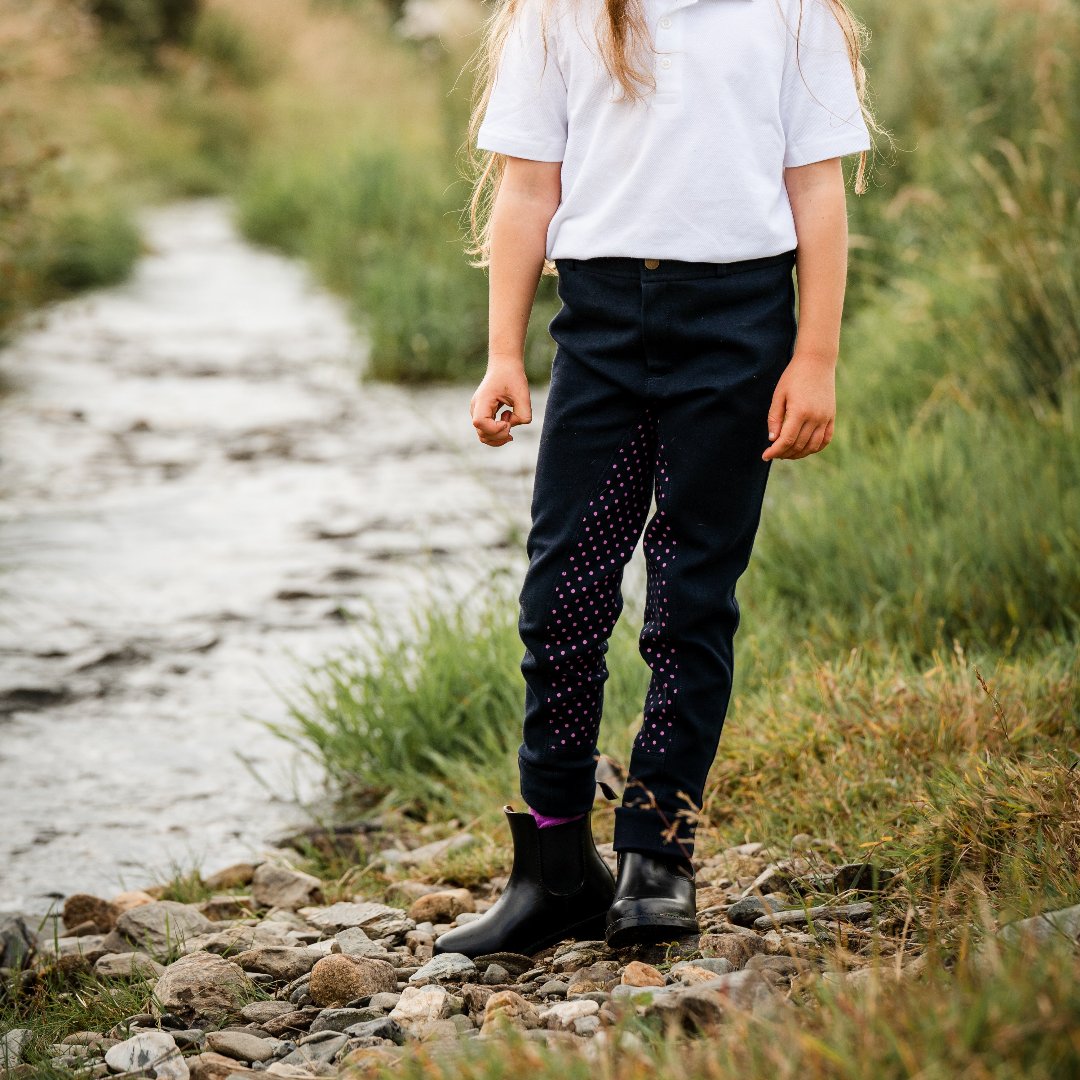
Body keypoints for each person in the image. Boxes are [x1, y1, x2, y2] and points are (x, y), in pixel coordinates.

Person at [434, 0, 879, 957]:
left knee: (690, 597)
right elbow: (526, 188)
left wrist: (815, 359)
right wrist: (503, 354)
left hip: (738, 325)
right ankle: (555, 867)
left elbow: (817, 190)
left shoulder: (790, 10)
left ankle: (657, 855)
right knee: (563, 595)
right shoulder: (554, 12)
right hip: (597, 326)